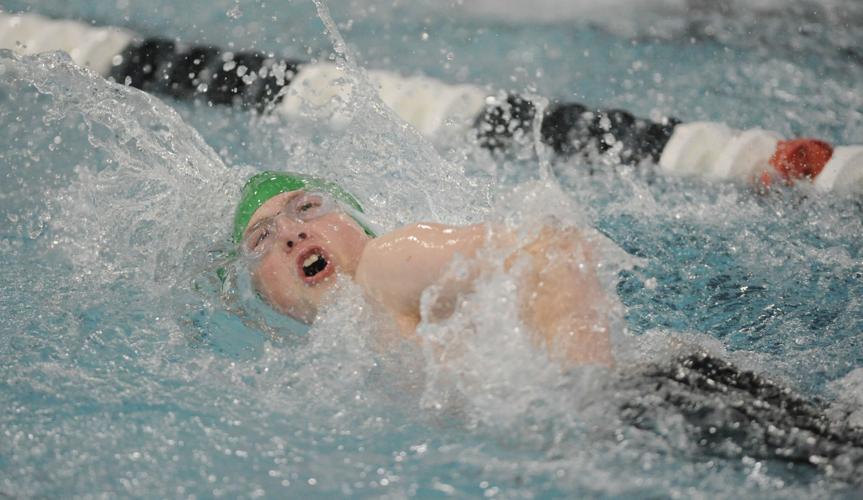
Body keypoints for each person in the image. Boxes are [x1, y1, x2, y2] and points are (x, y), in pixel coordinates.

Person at [232, 170, 614, 365]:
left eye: (306, 208)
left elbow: (549, 247)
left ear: (356, 223)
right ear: (266, 297)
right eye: (260, 240)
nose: (289, 233)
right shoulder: (345, 344)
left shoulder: (385, 265)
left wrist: (587, 388)